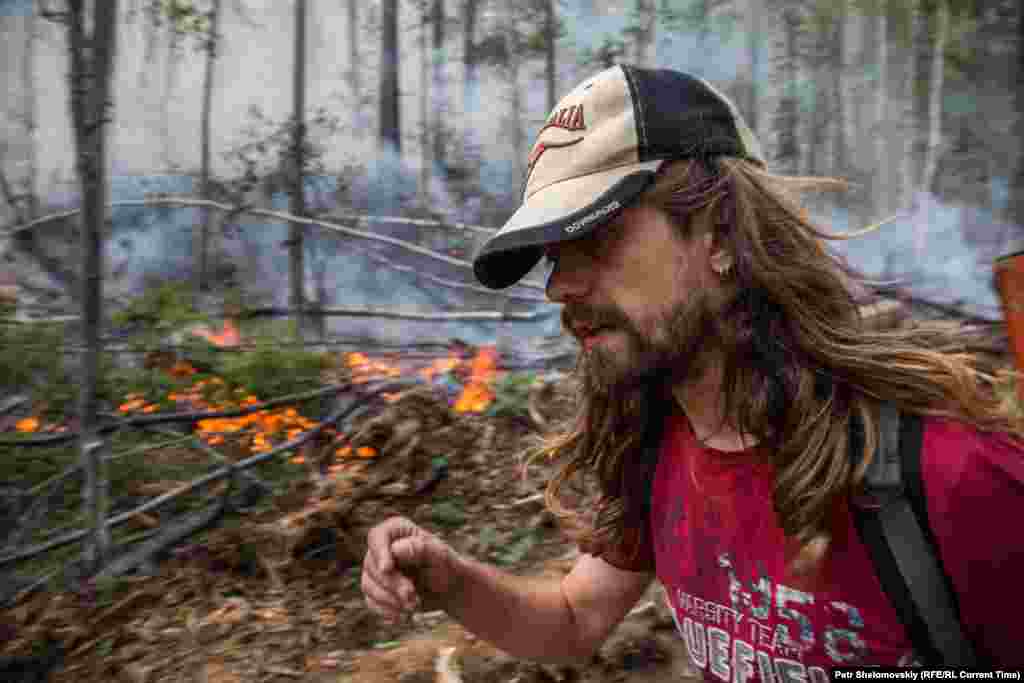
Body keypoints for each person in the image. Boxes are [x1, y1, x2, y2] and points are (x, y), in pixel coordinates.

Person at [361, 64, 1024, 674]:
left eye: (594, 238)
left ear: (721, 234)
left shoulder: (949, 474)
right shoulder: (658, 443)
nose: (559, 285)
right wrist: (450, 580)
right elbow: (573, 618)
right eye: (552, 256)